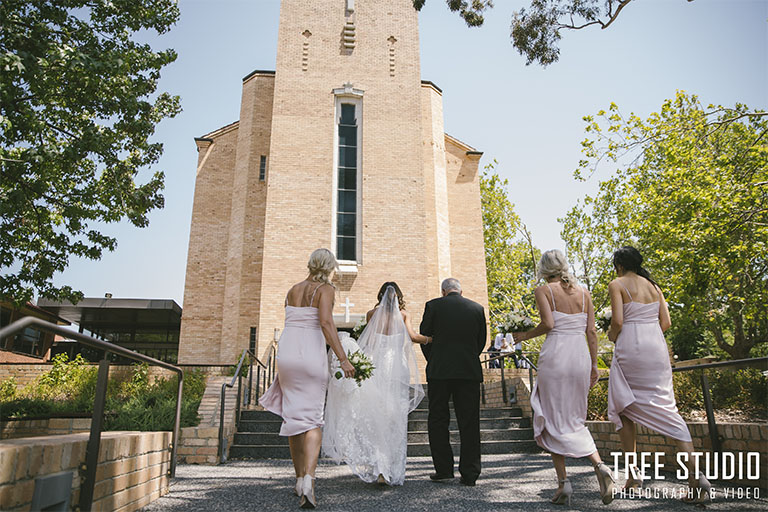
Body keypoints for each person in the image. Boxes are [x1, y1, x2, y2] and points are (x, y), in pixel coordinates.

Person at [606, 246, 711, 503]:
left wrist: (611, 337)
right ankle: (696, 478)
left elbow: (617, 322)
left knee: (623, 407)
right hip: (656, 349)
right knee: (667, 407)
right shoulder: (654, 287)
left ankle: (633, 475)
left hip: (631, 348)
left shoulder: (617, 284)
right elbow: (666, 323)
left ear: (619, 265)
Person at [513, 249, 614, 506]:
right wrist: (594, 364)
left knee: (551, 416)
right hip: (579, 355)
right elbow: (591, 331)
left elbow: (548, 324)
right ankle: (600, 466)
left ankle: (564, 483)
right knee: (574, 417)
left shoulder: (543, 291)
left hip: (556, 355)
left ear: (544, 269)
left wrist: (524, 336)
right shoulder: (584, 293)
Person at [260, 248, 355, 509]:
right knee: (312, 419)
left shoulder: (293, 289)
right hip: (310, 354)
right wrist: (343, 358)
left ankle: (299, 478)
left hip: (288, 353)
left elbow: (291, 319)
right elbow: (325, 323)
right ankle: (309, 482)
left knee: (293, 418)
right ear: (329, 267)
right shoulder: (326, 290)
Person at [323, 282, 429, 486]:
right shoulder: (404, 315)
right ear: (398, 296)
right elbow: (414, 337)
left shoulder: (372, 314)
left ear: (380, 295)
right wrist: (433, 339)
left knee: (376, 414)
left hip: (377, 365)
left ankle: (380, 467)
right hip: (398, 367)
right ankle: (390, 468)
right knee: (394, 417)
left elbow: (368, 343)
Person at [419, 277, 486, 486]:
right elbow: (480, 341)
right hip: (468, 371)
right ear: (461, 291)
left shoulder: (433, 306)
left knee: (438, 420)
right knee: (469, 422)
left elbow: (424, 336)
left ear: (443, 291)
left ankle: (444, 469)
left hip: (440, 371)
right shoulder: (477, 308)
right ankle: (470, 472)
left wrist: (435, 357)